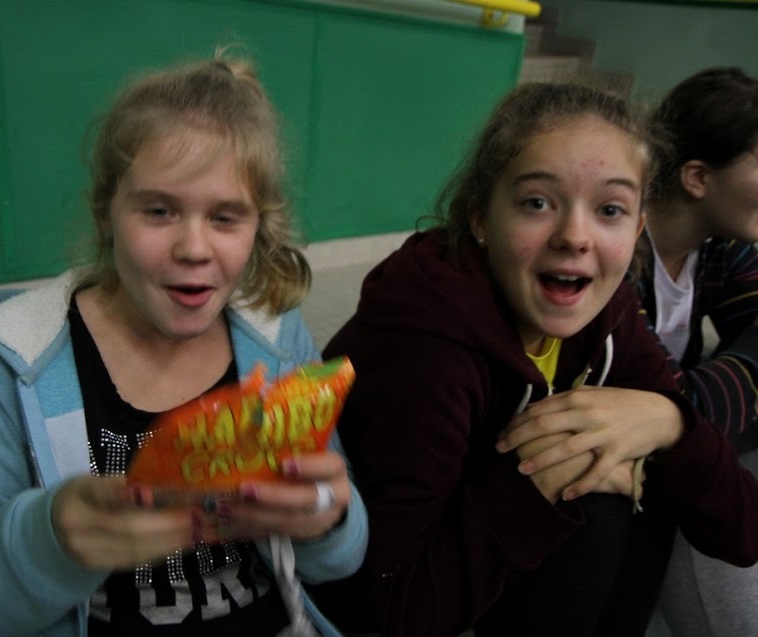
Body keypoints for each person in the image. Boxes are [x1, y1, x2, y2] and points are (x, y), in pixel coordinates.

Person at [0, 52, 368, 637]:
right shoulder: (11, 360)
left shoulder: (278, 343)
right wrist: (51, 540)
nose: (194, 249)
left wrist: (327, 521)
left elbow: (340, 555)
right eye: (158, 210)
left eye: (226, 217)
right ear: (106, 212)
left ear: (260, 226)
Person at [306, 82, 758, 637]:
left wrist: (671, 421)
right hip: (355, 594)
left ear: (638, 229)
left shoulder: (608, 311)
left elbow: (742, 531)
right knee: (595, 487)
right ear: (480, 218)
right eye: (537, 203)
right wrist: (544, 475)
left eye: (609, 210)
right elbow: (392, 610)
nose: (575, 237)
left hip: (472, 551)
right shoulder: (424, 349)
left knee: (647, 470)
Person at [634, 67, 758, 637]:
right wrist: (688, 409)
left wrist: (688, 409)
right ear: (698, 177)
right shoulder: (612, 254)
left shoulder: (722, 247)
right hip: (631, 484)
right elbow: (668, 408)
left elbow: (682, 411)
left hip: (680, 455)